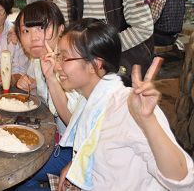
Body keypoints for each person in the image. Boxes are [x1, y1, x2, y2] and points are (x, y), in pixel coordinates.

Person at [53, 18, 194, 190]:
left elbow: (182, 178)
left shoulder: (128, 107)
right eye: (58, 57)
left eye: (64, 58)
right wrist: (75, 166)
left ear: (94, 64)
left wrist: (147, 120)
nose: (57, 66)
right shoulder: (91, 100)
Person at [13, 1, 84, 190]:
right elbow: (42, 103)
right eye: (26, 31)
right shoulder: (37, 59)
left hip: (77, 148)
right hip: (55, 136)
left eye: (42, 28)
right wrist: (32, 86)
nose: (34, 37)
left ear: (61, 29)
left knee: (19, 174)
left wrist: (52, 78)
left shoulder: (73, 62)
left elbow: (76, 125)